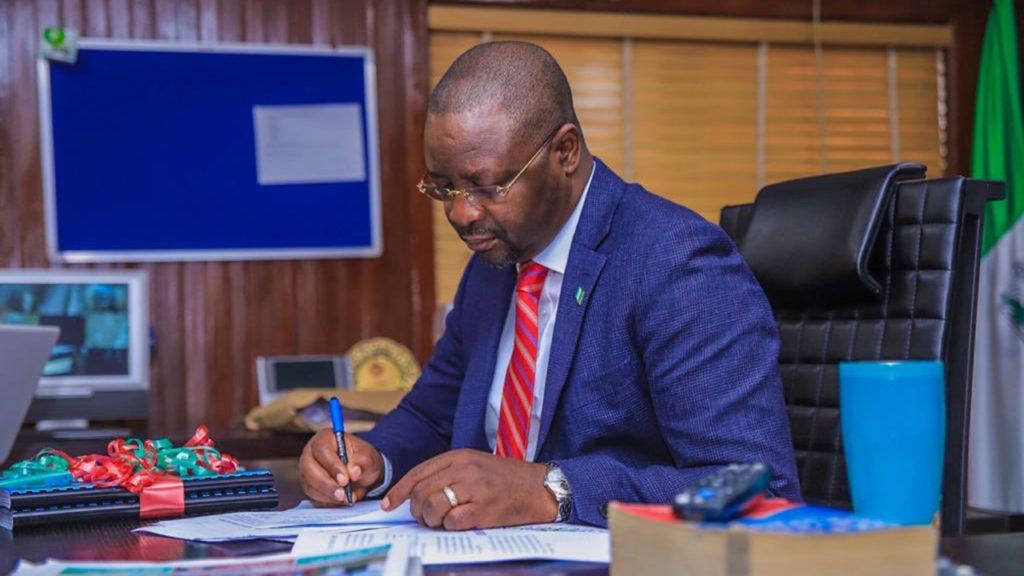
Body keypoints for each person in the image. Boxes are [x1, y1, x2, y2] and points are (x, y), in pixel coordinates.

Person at [299, 41, 800, 530]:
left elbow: (756, 487)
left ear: (564, 151)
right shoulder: (495, 260)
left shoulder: (676, 262)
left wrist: (550, 489)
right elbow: (433, 416)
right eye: (444, 187)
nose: (461, 213)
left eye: (488, 186)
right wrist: (370, 460)